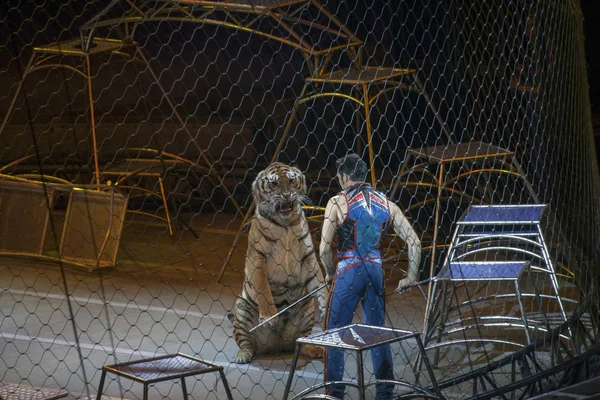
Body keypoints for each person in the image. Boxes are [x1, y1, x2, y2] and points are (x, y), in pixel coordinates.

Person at [319, 153, 422, 400]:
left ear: (344, 177)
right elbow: (415, 242)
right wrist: (411, 276)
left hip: (348, 272)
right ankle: (384, 392)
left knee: (334, 332)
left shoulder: (336, 202)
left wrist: (329, 272)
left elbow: (324, 248)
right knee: (377, 333)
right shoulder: (388, 204)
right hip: (375, 273)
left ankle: (335, 394)